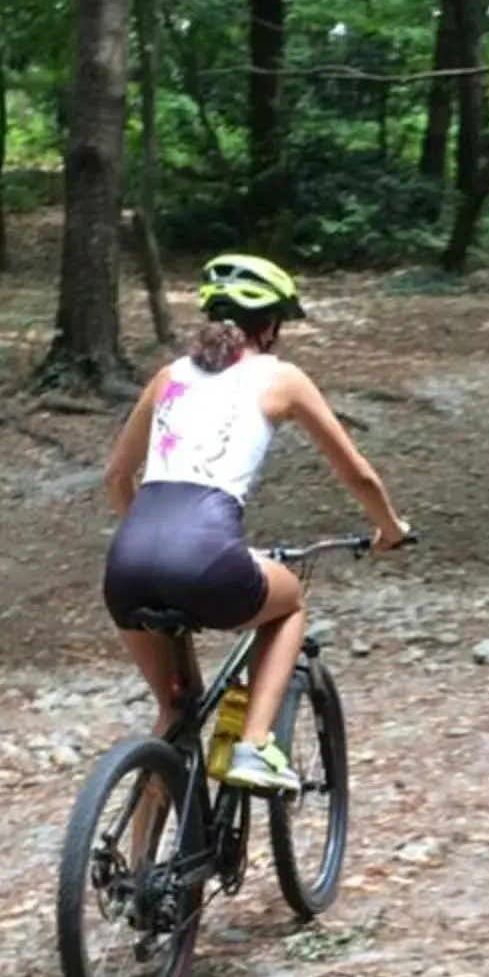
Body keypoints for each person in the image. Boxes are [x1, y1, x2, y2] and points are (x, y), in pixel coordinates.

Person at [103, 253, 412, 794]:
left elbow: (115, 476)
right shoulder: (281, 378)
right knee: (288, 603)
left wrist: (152, 538)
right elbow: (358, 475)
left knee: (175, 716)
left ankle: (139, 873)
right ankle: (253, 746)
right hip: (205, 560)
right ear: (268, 326)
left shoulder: (166, 377)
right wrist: (390, 528)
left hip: (127, 565)